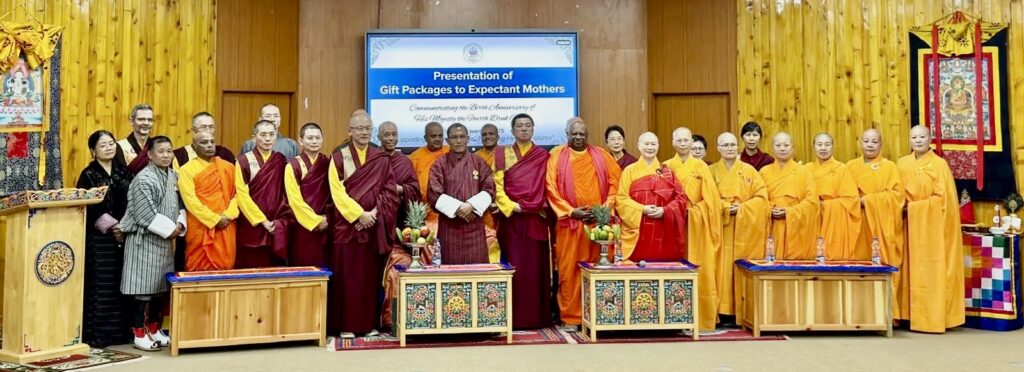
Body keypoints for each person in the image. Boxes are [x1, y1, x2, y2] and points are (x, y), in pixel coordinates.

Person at [328, 112, 399, 338]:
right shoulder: (339, 157)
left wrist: (373, 214)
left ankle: (368, 324)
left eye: (368, 128)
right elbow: (336, 193)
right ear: (350, 131)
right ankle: (346, 325)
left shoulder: (380, 157)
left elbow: (389, 190)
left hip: (373, 227)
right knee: (347, 278)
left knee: (369, 278)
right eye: (359, 128)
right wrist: (359, 215)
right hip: (348, 227)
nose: (364, 132)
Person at [545, 119, 620, 329]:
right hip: (570, 224)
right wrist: (571, 211)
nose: (578, 138)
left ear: (587, 135)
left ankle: (600, 313)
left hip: (599, 224)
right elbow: (551, 187)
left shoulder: (602, 156)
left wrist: (605, 208)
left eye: (582, 134)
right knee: (570, 271)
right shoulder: (556, 156)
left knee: (599, 268)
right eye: (574, 134)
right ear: (566, 134)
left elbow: (616, 184)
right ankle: (571, 317)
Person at [118, 136, 186, 351]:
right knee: (143, 290)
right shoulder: (144, 179)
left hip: (165, 242)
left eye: (169, 151)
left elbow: (181, 204)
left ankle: (154, 328)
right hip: (145, 240)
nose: (166, 155)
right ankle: (138, 331)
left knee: (159, 289)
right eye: (161, 151)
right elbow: (145, 214)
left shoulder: (173, 176)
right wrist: (171, 230)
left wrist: (180, 224)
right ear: (149, 154)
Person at [898, 125, 964, 333]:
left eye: (922, 137)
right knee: (907, 268)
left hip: (931, 227)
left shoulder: (939, 165)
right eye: (914, 137)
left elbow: (943, 200)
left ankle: (932, 318)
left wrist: (915, 207)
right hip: (907, 224)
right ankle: (907, 315)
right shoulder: (902, 163)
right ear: (909, 139)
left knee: (931, 269)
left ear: (930, 139)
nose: (918, 141)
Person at [493, 113, 552, 330]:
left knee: (535, 268)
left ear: (534, 129)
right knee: (515, 267)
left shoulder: (543, 156)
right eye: (519, 126)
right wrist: (511, 206)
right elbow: (496, 185)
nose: (524, 129)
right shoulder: (502, 154)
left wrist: (534, 205)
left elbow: (549, 184)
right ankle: (514, 317)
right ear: (512, 130)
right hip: (512, 220)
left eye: (528, 125)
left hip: (536, 218)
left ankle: (537, 317)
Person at [77, 130, 134, 347]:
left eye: (111, 144)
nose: (109, 148)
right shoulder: (88, 174)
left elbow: (133, 200)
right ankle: (97, 335)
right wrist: (113, 226)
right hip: (99, 240)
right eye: (103, 145)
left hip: (124, 235)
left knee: (121, 284)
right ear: (93, 151)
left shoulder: (124, 171)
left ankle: (120, 333)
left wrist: (124, 225)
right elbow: (88, 205)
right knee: (101, 287)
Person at [664, 127, 722, 331]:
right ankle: (673, 317)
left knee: (699, 267)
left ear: (691, 142)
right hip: (673, 226)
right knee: (673, 269)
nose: (682, 143)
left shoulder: (701, 167)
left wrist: (695, 211)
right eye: (678, 139)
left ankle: (700, 317)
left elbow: (712, 200)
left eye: (685, 140)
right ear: (672, 142)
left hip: (697, 225)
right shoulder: (666, 167)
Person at [847, 128, 907, 321]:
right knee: (856, 267)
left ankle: (885, 315)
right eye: (866, 141)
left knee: (881, 266)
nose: (870, 145)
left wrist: (868, 201)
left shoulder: (889, 167)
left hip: (880, 227)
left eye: (874, 141)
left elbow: (897, 196)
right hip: (856, 226)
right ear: (860, 143)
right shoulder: (850, 167)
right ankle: (856, 314)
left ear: (880, 145)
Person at [710, 132, 769, 319]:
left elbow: (762, 198)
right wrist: (726, 207)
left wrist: (742, 208)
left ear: (738, 147)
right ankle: (721, 311)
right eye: (725, 145)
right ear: (718, 148)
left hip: (744, 227)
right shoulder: (710, 171)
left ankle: (741, 311)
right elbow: (705, 199)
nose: (729, 148)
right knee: (720, 268)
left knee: (739, 265)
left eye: (733, 145)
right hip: (720, 226)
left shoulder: (750, 171)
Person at [171, 112, 236, 271]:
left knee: (226, 266)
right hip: (201, 225)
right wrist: (214, 219)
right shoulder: (187, 170)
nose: (209, 145)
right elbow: (190, 201)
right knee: (198, 269)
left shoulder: (227, 167)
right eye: (204, 142)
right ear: (194, 146)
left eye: (212, 142)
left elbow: (237, 194)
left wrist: (228, 215)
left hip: (226, 225)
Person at [378, 121, 426, 329]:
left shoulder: (404, 162)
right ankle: (377, 318)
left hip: (398, 222)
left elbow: (414, 190)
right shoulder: (373, 159)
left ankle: (396, 317)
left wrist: (397, 188)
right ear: (379, 137)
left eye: (394, 134)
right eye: (386, 134)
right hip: (376, 221)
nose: (390, 138)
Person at [427, 123, 495, 264]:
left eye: (462, 137)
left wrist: (471, 205)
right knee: (450, 272)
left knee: (476, 271)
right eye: (454, 137)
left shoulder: (479, 162)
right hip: (449, 229)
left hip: (474, 227)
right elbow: (434, 193)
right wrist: (460, 208)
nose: (458, 141)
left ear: (468, 138)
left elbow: (490, 189)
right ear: (448, 140)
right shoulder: (439, 164)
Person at [616, 132, 688, 262]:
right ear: (639, 145)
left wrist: (665, 211)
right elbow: (621, 199)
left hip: (662, 228)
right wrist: (642, 209)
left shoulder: (667, 172)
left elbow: (681, 199)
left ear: (658, 146)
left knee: (660, 266)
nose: (650, 147)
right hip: (638, 227)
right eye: (646, 144)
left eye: (653, 144)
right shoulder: (629, 170)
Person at [234, 120, 289, 268]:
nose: (268, 138)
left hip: (275, 226)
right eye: (263, 134)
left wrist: (278, 222)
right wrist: (262, 220)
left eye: (272, 134)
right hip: (252, 225)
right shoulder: (243, 161)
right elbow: (241, 195)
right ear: (254, 137)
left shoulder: (281, 160)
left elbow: (286, 193)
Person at [759, 132, 818, 259]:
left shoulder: (804, 171)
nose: (782, 148)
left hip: (797, 227)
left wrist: (789, 212)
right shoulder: (764, 172)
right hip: (773, 226)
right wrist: (769, 210)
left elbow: (812, 201)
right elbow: (759, 200)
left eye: (786, 145)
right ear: (772, 148)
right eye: (778, 145)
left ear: (792, 148)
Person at [283, 123, 332, 267]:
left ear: (322, 139)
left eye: (317, 137)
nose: (314, 141)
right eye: (310, 138)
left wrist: (327, 218)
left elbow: (336, 193)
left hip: (326, 224)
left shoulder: (329, 163)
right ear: (301, 141)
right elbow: (294, 200)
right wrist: (315, 221)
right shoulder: (292, 165)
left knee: (324, 268)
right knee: (302, 267)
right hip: (302, 227)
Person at [808, 133, 861, 260]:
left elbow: (851, 200)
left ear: (833, 147)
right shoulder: (806, 169)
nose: (823, 148)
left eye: (827, 144)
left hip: (835, 222)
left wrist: (825, 205)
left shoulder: (841, 169)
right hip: (812, 220)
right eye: (819, 144)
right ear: (813, 147)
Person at [410, 122, 450, 224]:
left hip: (450, 207)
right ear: (425, 137)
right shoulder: (415, 157)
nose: (437, 139)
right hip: (425, 209)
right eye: (433, 136)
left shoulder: (451, 152)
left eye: (440, 136)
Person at [474, 123, 502, 263]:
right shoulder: (475, 157)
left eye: (491, 134)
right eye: (484, 135)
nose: (488, 137)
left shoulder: (505, 155)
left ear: (498, 136)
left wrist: (499, 203)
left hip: (503, 209)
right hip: (482, 210)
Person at [115, 103, 156, 174]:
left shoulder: (156, 146)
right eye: (141, 119)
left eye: (150, 120)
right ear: (131, 121)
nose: (146, 123)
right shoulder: (120, 146)